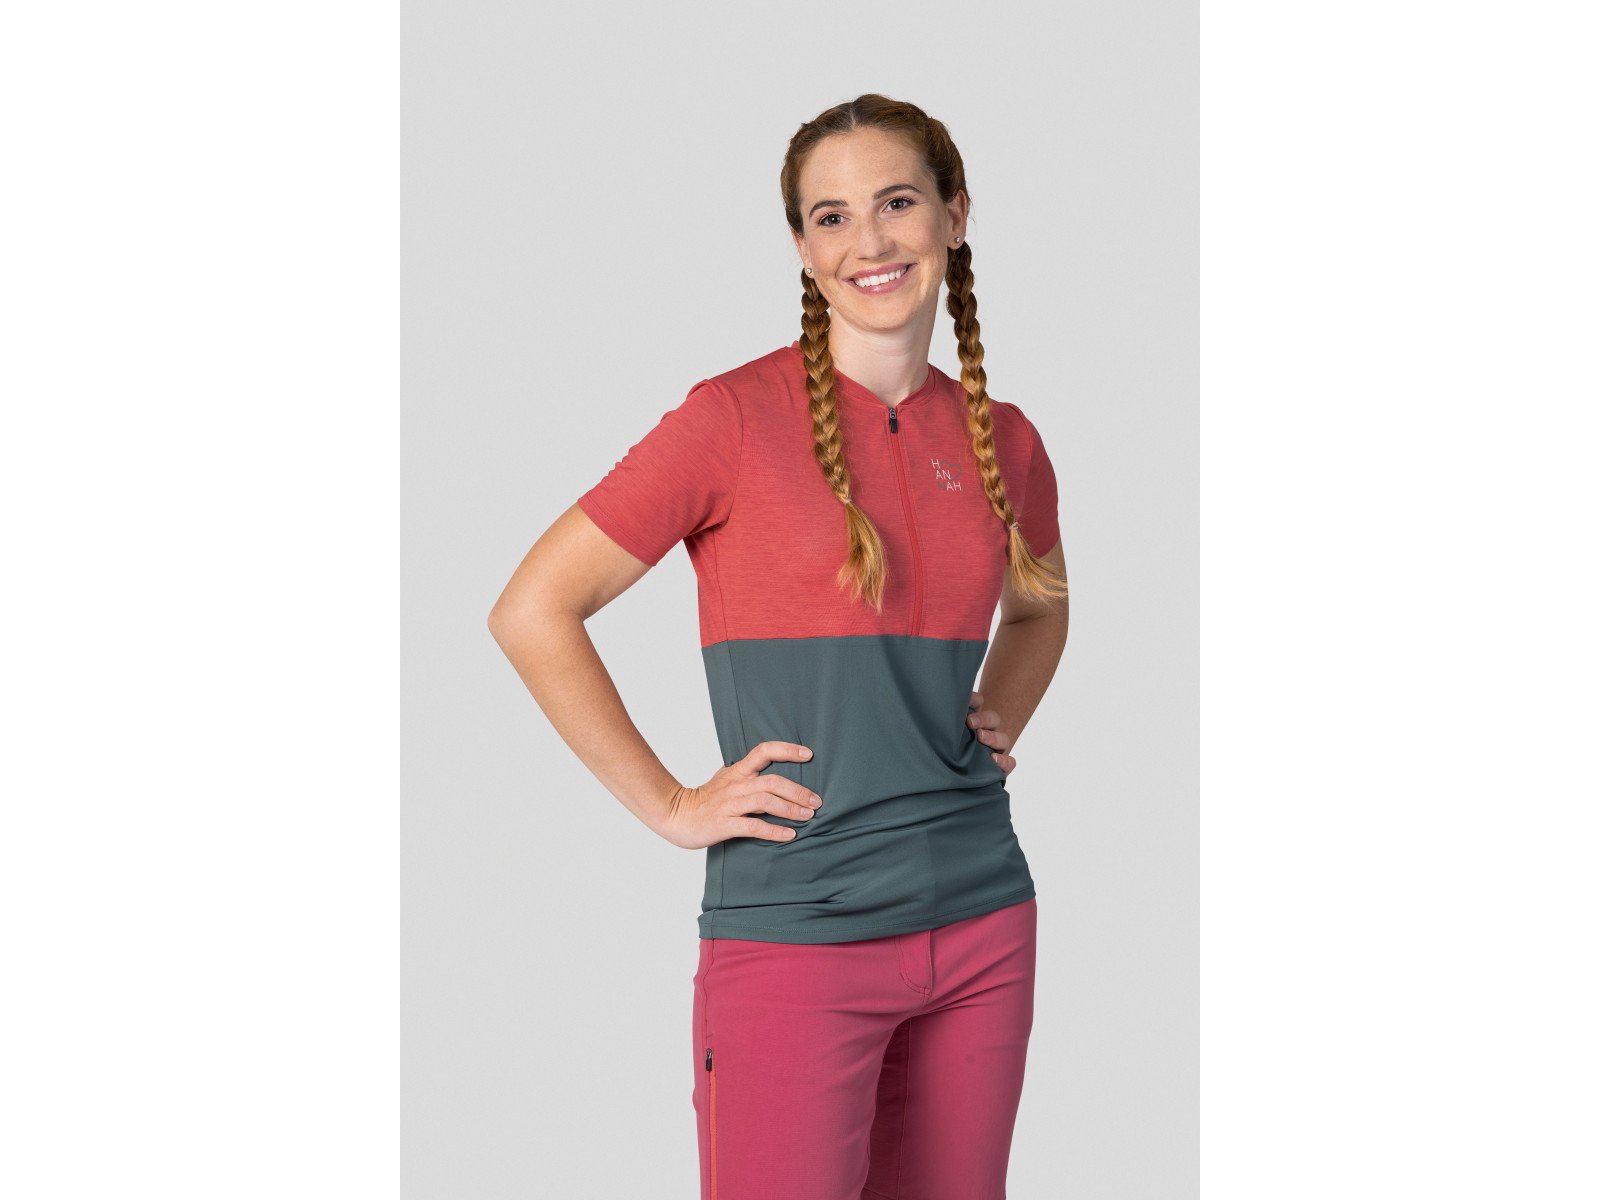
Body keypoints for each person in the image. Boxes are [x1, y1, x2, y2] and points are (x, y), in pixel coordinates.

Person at [488, 93, 1070, 1200]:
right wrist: (672, 805)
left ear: (953, 215)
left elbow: (1042, 607)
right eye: (830, 217)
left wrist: (1000, 710)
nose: (869, 241)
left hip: (984, 923)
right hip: (797, 931)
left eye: (897, 203)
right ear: (803, 248)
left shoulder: (1006, 440)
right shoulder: (732, 420)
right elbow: (533, 608)